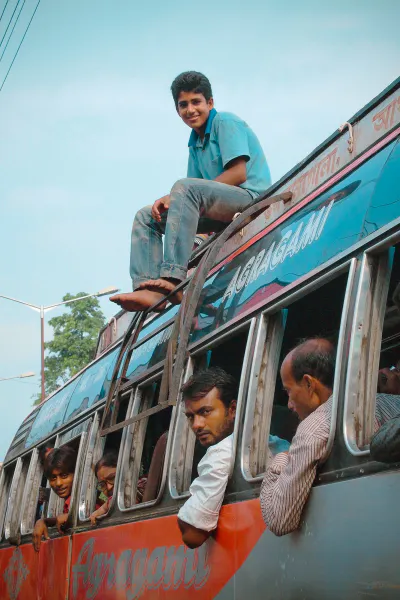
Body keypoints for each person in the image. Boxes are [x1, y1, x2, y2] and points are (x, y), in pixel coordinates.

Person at [110, 71, 271, 313]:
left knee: (182, 188)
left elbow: (238, 174)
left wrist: (175, 196)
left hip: (250, 200)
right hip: (218, 210)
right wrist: (170, 200)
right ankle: (148, 289)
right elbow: (190, 196)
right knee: (146, 216)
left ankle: (173, 280)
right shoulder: (194, 143)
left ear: (210, 103)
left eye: (196, 102)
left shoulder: (225, 123)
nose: (190, 110)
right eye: (183, 105)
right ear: (177, 110)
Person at [260, 338, 400, 537]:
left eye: (289, 391)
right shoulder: (393, 402)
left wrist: (281, 459)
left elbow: (280, 520)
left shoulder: (314, 426)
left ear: (309, 384)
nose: (290, 404)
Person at [177, 367, 288, 549]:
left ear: (233, 409)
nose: (196, 425)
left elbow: (193, 536)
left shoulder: (221, 452)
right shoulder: (276, 442)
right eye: (190, 417)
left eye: (205, 412)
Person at [33, 445, 77, 551]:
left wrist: (73, 517)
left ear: (76, 473)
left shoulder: (87, 499)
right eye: (53, 478)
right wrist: (44, 521)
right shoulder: (69, 501)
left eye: (64, 476)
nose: (58, 483)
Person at [89, 450, 118, 526]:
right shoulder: (103, 498)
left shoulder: (141, 484)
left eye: (112, 478)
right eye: (102, 485)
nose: (108, 487)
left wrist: (102, 510)